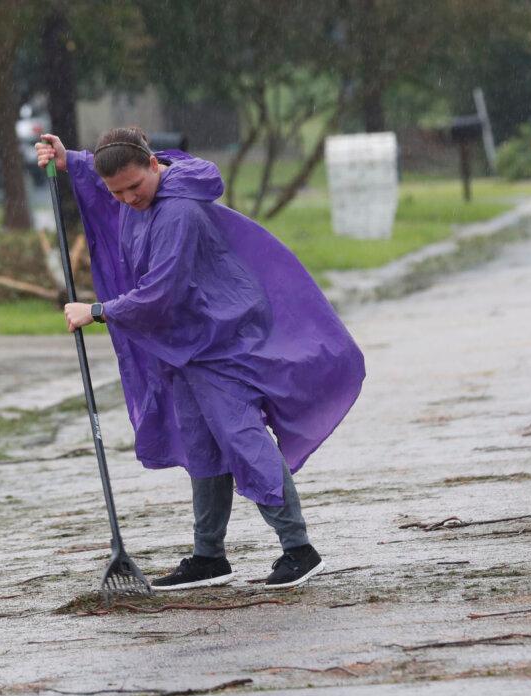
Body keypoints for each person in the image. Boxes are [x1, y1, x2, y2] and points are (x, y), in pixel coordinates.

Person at [36, 128, 365, 589]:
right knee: (201, 445)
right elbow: (105, 172)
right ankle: (209, 556)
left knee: (242, 437)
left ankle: (298, 548)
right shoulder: (141, 193)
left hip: (218, 337)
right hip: (184, 345)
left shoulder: (179, 212)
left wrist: (97, 311)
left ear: (155, 165)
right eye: (117, 192)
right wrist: (69, 158)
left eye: (134, 186)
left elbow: (162, 293)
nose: (127, 199)